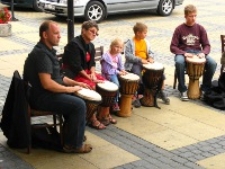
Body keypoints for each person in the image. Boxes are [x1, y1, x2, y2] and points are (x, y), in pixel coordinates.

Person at [23, 20, 92, 153]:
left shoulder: (47, 51)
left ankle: (72, 135)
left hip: (46, 94)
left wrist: (76, 83)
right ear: (45, 35)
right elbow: (47, 84)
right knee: (79, 105)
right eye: (55, 33)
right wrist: (68, 89)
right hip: (41, 97)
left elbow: (59, 77)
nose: (59, 36)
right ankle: (73, 145)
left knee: (78, 98)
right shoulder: (42, 55)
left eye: (59, 33)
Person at [62, 20, 107, 130]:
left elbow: (92, 63)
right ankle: (92, 118)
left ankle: (104, 114)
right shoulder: (74, 44)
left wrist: (92, 73)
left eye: (96, 33)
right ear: (83, 30)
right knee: (92, 85)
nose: (94, 35)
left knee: (103, 82)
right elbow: (76, 67)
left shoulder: (90, 45)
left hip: (85, 72)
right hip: (73, 74)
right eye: (92, 31)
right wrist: (90, 78)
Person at [170, 4, 217, 101]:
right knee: (179, 62)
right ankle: (182, 89)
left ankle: (204, 88)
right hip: (183, 52)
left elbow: (207, 45)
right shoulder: (179, 29)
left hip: (197, 52)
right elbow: (173, 46)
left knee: (213, 63)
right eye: (191, 16)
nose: (193, 18)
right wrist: (184, 53)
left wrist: (204, 53)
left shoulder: (200, 28)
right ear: (185, 16)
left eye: (195, 16)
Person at [125, 22, 170, 108]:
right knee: (137, 74)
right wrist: (140, 60)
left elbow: (151, 52)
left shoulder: (146, 42)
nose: (146, 34)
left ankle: (160, 90)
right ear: (138, 33)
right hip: (135, 63)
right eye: (144, 33)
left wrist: (150, 57)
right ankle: (137, 95)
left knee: (160, 72)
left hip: (146, 62)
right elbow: (128, 56)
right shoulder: (130, 42)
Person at [101, 38, 127, 113]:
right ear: (111, 46)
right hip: (108, 74)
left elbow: (120, 64)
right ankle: (114, 102)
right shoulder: (106, 57)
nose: (118, 49)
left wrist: (122, 70)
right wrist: (118, 72)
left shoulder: (118, 55)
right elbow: (107, 71)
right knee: (116, 85)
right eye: (116, 46)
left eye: (120, 47)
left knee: (125, 81)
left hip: (115, 72)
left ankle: (121, 99)